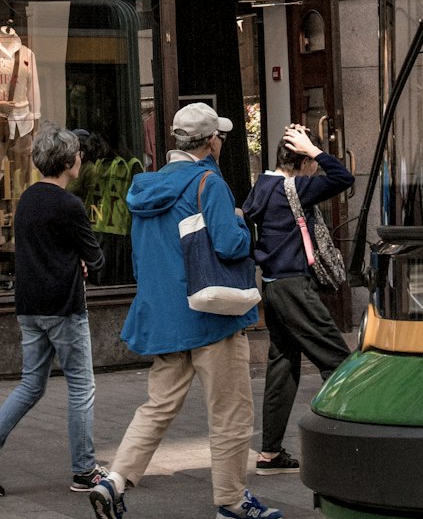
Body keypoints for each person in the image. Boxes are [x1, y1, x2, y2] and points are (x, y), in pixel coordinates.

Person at [89, 103, 282, 519]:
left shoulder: (145, 187)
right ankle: (231, 502)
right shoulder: (208, 181)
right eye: (221, 137)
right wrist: (240, 224)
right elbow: (230, 245)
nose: (222, 143)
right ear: (210, 141)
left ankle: (115, 480)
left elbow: (143, 258)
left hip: (165, 318)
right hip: (212, 316)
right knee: (230, 412)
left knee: (157, 407)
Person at [0, 123, 105, 498]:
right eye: (78, 154)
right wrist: (82, 261)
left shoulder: (26, 199)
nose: (81, 158)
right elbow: (96, 257)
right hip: (64, 308)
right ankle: (85, 471)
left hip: (29, 306)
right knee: (81, 387)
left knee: (30, 384)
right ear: (70, 161)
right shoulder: (70, 205)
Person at [242, 124, 354, 471]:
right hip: (294, 287)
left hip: (273, 287)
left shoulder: (261, 186)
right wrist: (316, 149)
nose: (316, 169)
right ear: (303, 161)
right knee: (338, 361)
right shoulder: (295, 189)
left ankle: (270, 452)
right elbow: (344, 178)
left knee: (283, 365)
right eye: (312, 162)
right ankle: (346, 443)